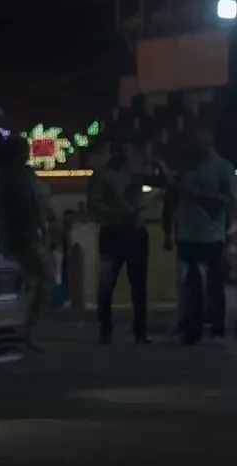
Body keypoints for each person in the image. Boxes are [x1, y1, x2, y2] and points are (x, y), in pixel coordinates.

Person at [164, 129, 235, 345]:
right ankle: (191, 331)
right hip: (187, 236)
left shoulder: (223, 167)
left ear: (208, 141)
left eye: (196, 142)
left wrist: (202, 195)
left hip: (212, 236)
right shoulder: (186, 168)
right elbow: (171, 200)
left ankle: (217, 329)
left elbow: (229, 200)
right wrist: (169, 231)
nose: (192, 146)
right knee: (191, 287)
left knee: (215, 285)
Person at [87, 140, 151, 345]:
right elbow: (94, 204)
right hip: (113, 232)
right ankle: (106, 330)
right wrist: (118, 212)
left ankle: (140, 331)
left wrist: (156, 164)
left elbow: (164, 182)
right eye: (121, 150)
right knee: (107, 284)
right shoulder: (102, 175)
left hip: (136, 232)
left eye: (127, 150)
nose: (124, 154)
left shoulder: (137, 174)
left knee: (139, 285)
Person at [0, 138, 51, 352]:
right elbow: (22, 209)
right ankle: (24, 330)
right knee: (42, 281)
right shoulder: (13, 178)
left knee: (30, 283)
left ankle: (19, 330)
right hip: (21, 237)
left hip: (22, 236)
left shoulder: (16, 176)